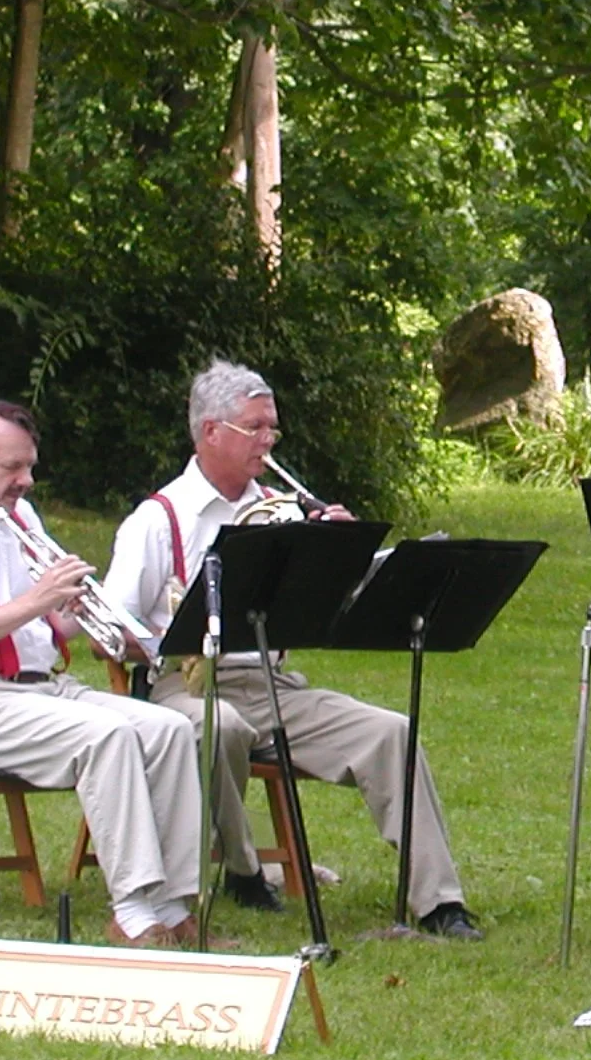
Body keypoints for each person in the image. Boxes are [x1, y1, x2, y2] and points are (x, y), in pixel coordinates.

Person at [103, 359, 484, 941]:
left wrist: (345, 557)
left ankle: (439, 903)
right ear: (211, 432)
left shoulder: (283, 509)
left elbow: (325, 612)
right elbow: (110, 624)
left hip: (275, 686)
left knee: (391, 731)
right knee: (221, 726)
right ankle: (243, 869)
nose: (268, 441)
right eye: (254, 428)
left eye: (271, 429)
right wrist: (163, 642)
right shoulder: (159, 521)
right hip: (183, 688)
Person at [0, 398, 215, 950]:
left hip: (41, 690)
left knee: (169, 729)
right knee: (107, 736)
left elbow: (41, 626)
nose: (25, 481)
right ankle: (132, 914)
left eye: (29, 466)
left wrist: (80, 614)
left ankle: (176, 910)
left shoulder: (15, 516)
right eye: (12, 468)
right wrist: (37, 601)